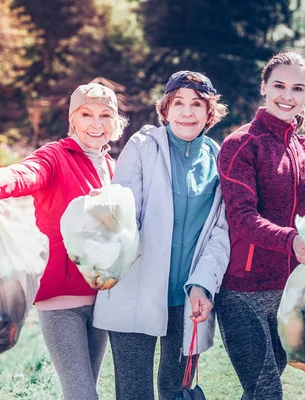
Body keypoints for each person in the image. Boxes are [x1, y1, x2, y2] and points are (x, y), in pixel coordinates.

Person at [0, 82, 128, 400]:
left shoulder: (115, 169)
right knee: (82, 394)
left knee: (86, 390)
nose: (96, 124)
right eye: (86, 114)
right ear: (72, 119)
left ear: (115, 122)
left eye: (105, 115)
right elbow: (26, 172)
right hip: (61, 298)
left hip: (104, 299)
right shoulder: (55, 156)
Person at [92, 71, 230, 400]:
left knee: (176, 389)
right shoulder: (142, 147)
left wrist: (204, 284)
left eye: (196, 104)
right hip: (135, 290)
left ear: (209, 112)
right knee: (134, 392)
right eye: (178, 103)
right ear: (165, 110)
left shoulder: (219, 158)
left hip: (188, 298)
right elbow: (124, 210)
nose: (186, 112)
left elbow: (220, 233)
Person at [215, 50, 305, 400]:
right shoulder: (240, 145)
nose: (287, 95)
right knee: (266, 392)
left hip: (290, 292)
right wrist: (291, 240)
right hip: (242, 293)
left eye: (298, 88)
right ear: (264, 87)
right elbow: (241, 216)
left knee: (258, 394)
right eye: (279, 85)